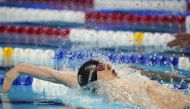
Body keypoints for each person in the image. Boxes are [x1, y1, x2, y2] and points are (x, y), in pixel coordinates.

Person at [1, 60, 190, 109]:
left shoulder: (117, 78)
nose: (107, 65)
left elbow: (54, 74)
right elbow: (56, 76)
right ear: (96, 80)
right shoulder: (107, 89)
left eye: (103, 63)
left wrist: (20, 67)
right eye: (101, 67)